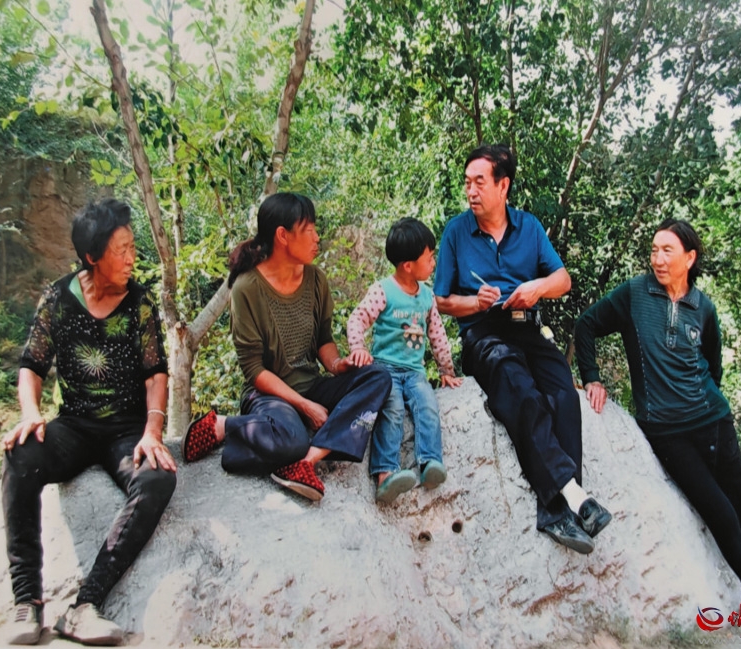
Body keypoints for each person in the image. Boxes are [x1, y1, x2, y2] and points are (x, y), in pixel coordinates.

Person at [574, 218, 741, 637]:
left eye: (668, 251)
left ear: (689, 258)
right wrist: (592, 377)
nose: (658, 259)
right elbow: (586, 324)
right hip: (666, 432)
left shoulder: (703, 307)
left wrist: (704, 402)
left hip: (714, 422)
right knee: (720, 511)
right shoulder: (634, 294)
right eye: (654, 250)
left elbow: (712, 366)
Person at [1, 199, 177, 646]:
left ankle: (85, 605)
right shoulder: (59, 298)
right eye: (121, 250)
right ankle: (27, 600)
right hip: (74, 426)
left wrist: (153, 432)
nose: (132, 258)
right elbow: (31, 365)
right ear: (91, 256)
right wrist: (30, 414)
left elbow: (156, 374)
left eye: (132, 247)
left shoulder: (139, 302)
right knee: (19, 455)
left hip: (127, 432)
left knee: (157, 478)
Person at [434, 144, 611, 554]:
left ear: (503, 186)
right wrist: (474, 302)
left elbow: (563, 280)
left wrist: (536, 288)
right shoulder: (456, 232)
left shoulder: (528, 227)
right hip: (483, 334)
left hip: (526, 327)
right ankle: (571, 498)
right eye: (467, 183)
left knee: (562, 392)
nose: (471, 191)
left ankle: (559, 512)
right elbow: (441, 300)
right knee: (518, 385)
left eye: (480, 182)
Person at [181, 193, 391, 502]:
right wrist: (304, 406)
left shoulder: (316, 279)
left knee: (378, 377)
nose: (317, 238)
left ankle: (307, 461)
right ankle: (225, 427)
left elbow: (323, 340)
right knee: (292, 439)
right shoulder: (247, 288)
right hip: (268, 395)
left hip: (312, 385)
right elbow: (254, 370)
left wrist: (338, 365)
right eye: (309, 230)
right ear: (282, 235)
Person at [347, 217, 463, 503]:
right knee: (393, 410)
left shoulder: (427, 296)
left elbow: (437, 335)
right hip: (384, 371)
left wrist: (446, 370)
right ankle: (385, 474)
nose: (433, 262)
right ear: (408, 266)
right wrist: (358, 348)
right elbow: (357, 319)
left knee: (427, 405)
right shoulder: (383, 290)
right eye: (429, 257)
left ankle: (431, 462)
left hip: (414, 372)